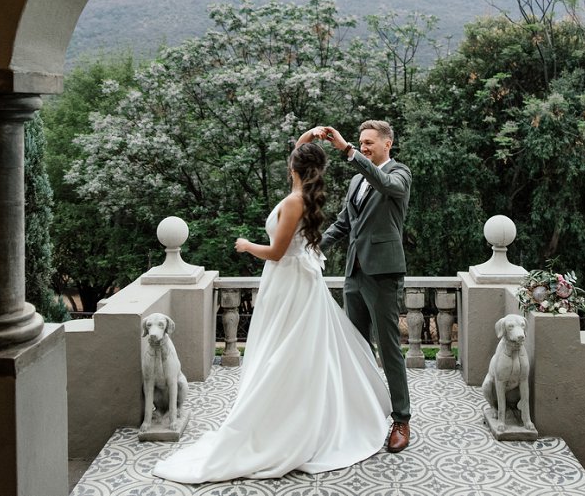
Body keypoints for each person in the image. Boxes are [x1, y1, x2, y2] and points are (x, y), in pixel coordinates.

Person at [152, 141, 391, 483]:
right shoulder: (302, 196)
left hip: (289, 283)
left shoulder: (294, 201)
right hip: (292, 281)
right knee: (293, 349)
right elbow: (300, 154)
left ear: (293, 168)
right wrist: (311, 136)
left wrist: (247, 245)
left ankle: (283, 423)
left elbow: (277, 252)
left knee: (285, 351)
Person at [303, 119, 412, 453]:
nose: (364, 147)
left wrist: (349, 151)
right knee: (356, 348)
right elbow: (343, 224)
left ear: (387, 144)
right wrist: (312, 247)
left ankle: (401, 419)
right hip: (354, 274)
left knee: (388, 349)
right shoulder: (355, 182)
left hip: (383, 274)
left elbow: (384, 183)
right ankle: (363, 414)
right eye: (361, 143)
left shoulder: (400, 174)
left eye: (369, 143)